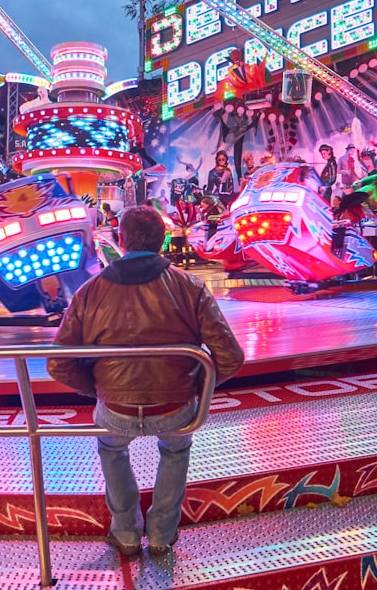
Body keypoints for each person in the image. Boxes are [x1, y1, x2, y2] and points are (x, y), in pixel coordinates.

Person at [47, 206, 245, 558]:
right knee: (175, 450)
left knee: (112, 448)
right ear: (164, 240)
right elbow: (230, 356)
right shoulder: (190, 286)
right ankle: (160, 536)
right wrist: (195, 386)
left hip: (115, 407)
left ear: (120, 241)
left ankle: (125, 532)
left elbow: (58, 364)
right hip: (175, 406)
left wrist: (97, 388)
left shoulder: (88, 293)